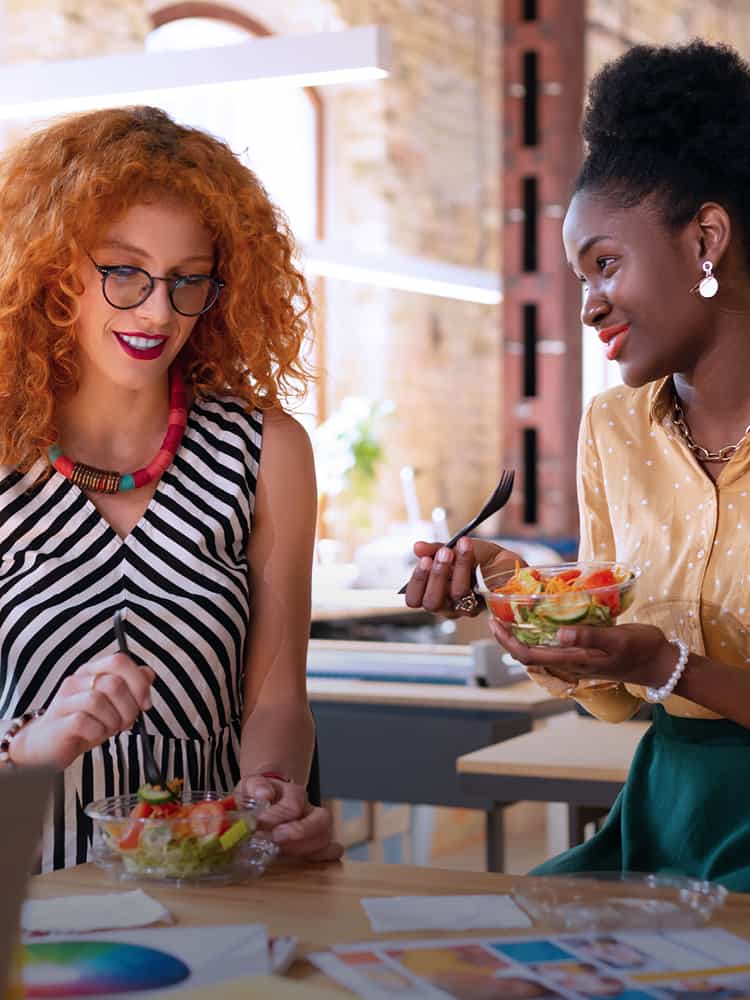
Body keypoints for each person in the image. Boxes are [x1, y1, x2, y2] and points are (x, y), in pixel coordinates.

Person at [405, 40, 750, 891]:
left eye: (605, 263)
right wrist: (531, 604)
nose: (588, 303)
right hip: (670, 807)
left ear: (706, 238)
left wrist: (665, 666)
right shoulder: (614, 429)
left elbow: (651, 672)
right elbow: (619, 701)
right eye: (578, 276)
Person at [0, 105, 340, 870]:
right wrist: (31, 744)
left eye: (188, 280)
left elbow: (279, 699)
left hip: (211, 877)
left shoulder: (266, 451)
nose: (158, 310)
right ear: (54, 269)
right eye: (123, 271)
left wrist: (274, 790)